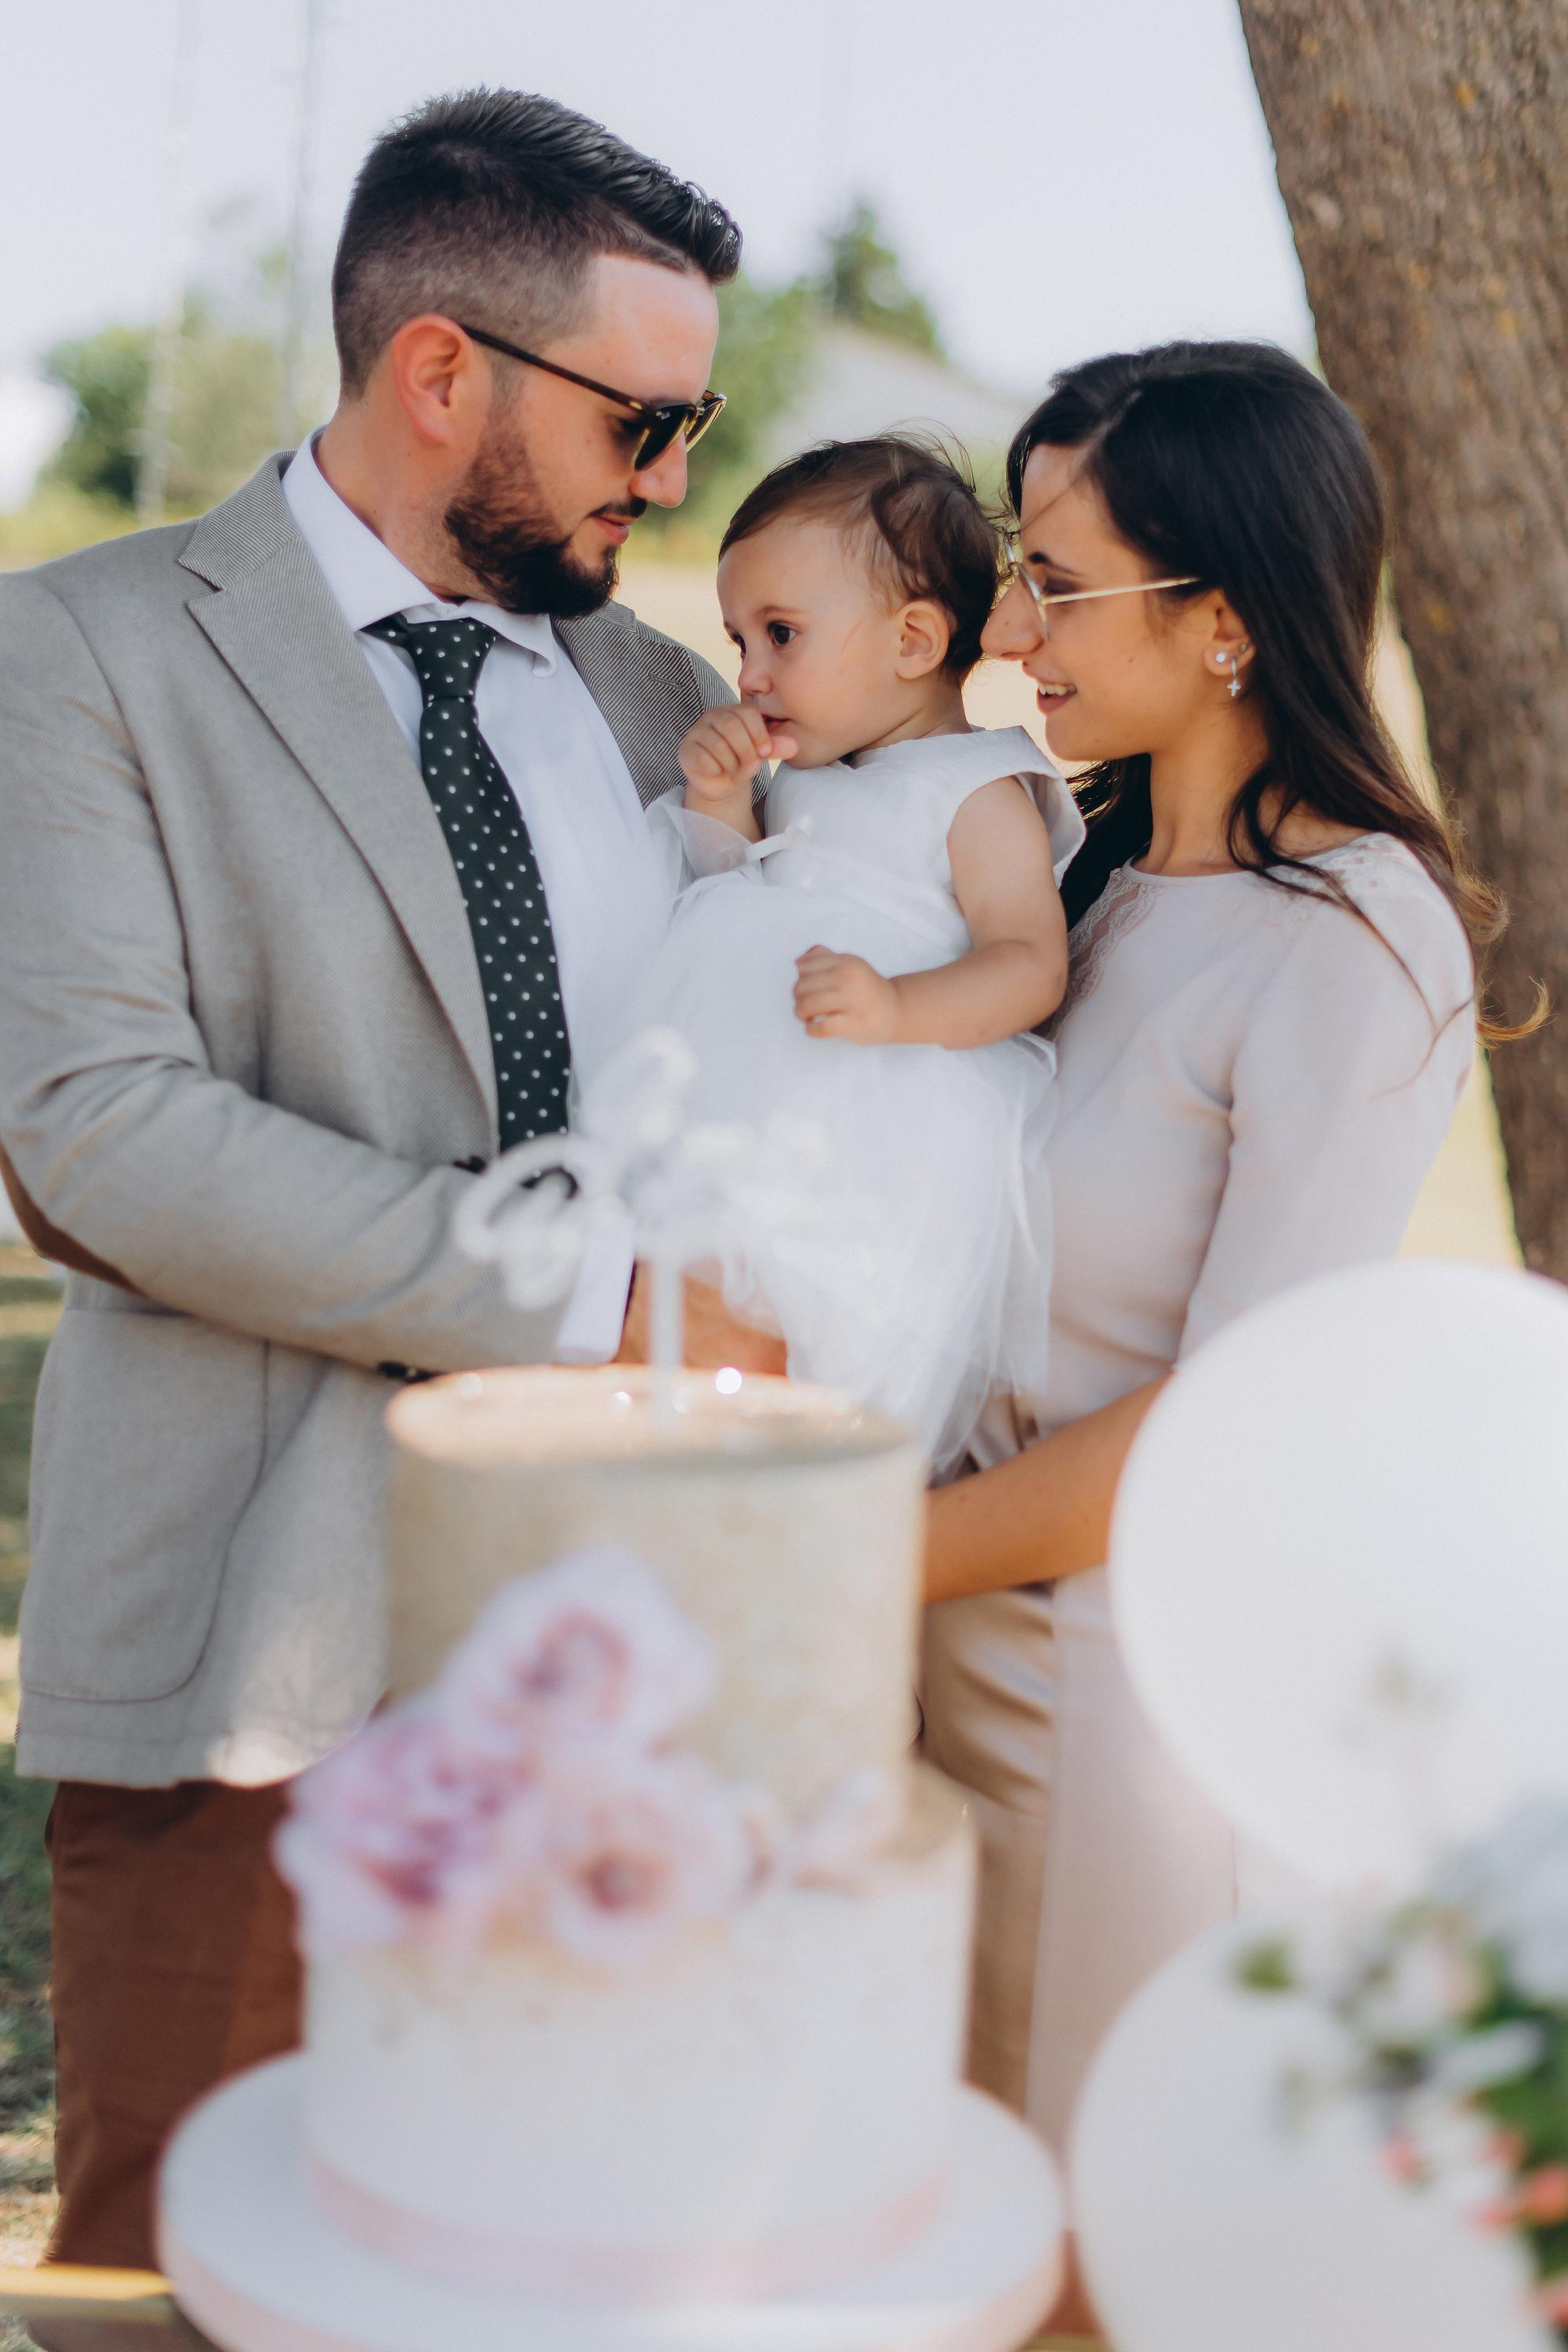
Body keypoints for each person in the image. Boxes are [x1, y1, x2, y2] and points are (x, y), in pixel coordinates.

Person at [0, 88, 777, 2272]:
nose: (675, 479)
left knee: (581, 2274)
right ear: (442, 372)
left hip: (630, 1672)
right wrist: (594, 1303)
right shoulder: (82, 650)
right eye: (643, 421)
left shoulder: (674, 703)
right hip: (256, 1638)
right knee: (197, 2277)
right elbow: (101, 1136)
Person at [918, 340, 1514, 2220]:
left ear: (1234, 618)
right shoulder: (1068, 883)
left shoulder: (1352, 940)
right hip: (922, 1666)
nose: (1009, 628)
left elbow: (1230, 1430)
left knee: (1087, 2252)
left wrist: (832, 1552)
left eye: (1061, 581)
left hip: (1120, 1729)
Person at [612, 436, 1083, 1469]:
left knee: (773, 1351)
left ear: (914, 641)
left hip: (861, 1125)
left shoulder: (977, 790)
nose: (750, 673)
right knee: (650, 1327)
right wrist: (721, 801)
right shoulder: (809, 764)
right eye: (742, 640)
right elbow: (725, 898)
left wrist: (900, 1008)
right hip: (729, 1091)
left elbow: (1028, 964)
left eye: (781, 635)